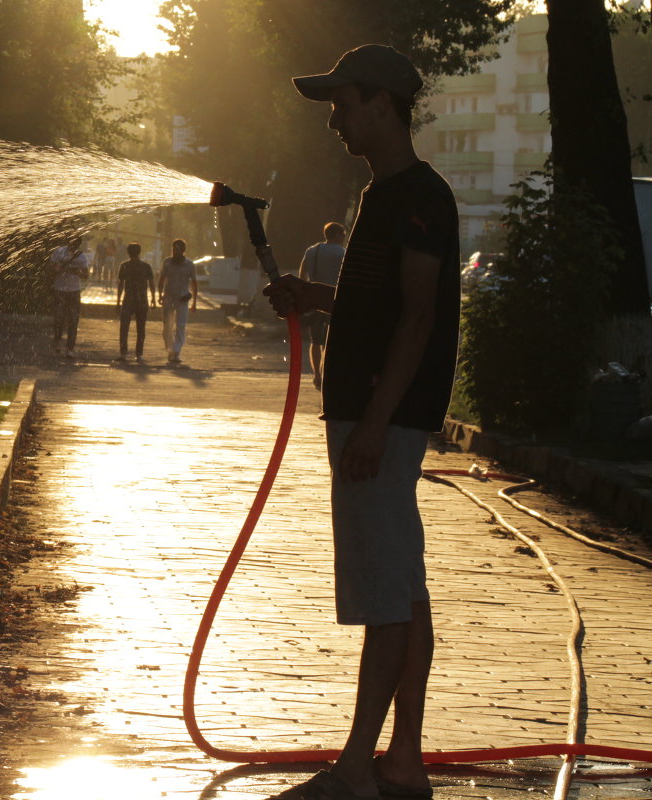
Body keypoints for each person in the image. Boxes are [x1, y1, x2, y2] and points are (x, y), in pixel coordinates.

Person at [262, 44, 460, 800]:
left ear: (383, 104)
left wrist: (376, 422)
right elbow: (384, 311)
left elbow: (417, 317)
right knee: (402, 591)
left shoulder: (415, 196)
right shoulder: (385, 196)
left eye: (343, 106)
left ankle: (355, 772)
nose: (334, 121)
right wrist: (318, 300)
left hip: (381, 420)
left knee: (383, 595)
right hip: (375, 415)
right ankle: (402, 763)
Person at [298, 222, 347, 390]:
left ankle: (317, 375)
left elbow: (302, 274)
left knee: (316, 340)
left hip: (314, 301)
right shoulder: (342, 253)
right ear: (338, 235)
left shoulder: (312, 251)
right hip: (334, 302)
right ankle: (325, 373)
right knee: (330, 341)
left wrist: (305, 295)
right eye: (344, 235)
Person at [49, 235, 90, 358]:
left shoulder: (81, 256)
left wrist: (77, 271)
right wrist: (58, 267)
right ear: (69, 242)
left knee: (73, 320)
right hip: (60, 289)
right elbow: (50, 268)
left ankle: (70, 348)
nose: (74, 245)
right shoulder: (59, 252)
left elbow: (86, 274)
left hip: (74, 291)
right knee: (59, 318)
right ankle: (57, 343)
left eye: (76, 243)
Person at [157, 238, 197, 364]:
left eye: (178, 249)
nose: (175, 251)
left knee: (181, 326)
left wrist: (194, 302)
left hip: (182, 298)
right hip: (168, 298)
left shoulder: (189, 265)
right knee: (167, 327)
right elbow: (162, 279)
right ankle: (170, 349)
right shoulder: (167, 262)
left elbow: (194, 283)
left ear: (183, 251)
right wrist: (160, 295)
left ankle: (176, 351)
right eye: (174, 249)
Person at [115, 242, 156, 361]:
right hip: (142, 300)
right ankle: (139, 354)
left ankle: (123, 353)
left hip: (128, 300)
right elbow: (152, 284)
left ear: (128, 252)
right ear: (140, 252)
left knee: (124, 327)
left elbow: (120, 285)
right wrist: (153, 299)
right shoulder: (146, 266)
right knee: (141, 328)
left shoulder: (124, 266)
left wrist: (118, 302)